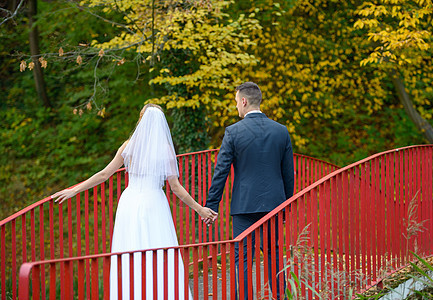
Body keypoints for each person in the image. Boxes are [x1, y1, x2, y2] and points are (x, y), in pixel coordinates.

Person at [52, 103, 217, 300]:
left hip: (129, 203)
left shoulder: (129, 145)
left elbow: (104, 174)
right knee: (159, 248)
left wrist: (74, 190)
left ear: (141, 121)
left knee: (130, 248)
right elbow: (175, 187)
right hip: (154, 202)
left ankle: (133, 293)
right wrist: (199, 209)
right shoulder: (165, 149)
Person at [204, 82, 294, 299]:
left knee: (243, 258)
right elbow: (288, 174)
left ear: (243, 101)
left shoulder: (233, 132)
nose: (237, 107)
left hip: (244, 206)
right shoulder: (281, 132)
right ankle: (280, 296)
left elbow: (221, 172)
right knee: (273, 254)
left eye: (236, 102)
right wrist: (285, 206)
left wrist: (211, 206)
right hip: (274, 206)